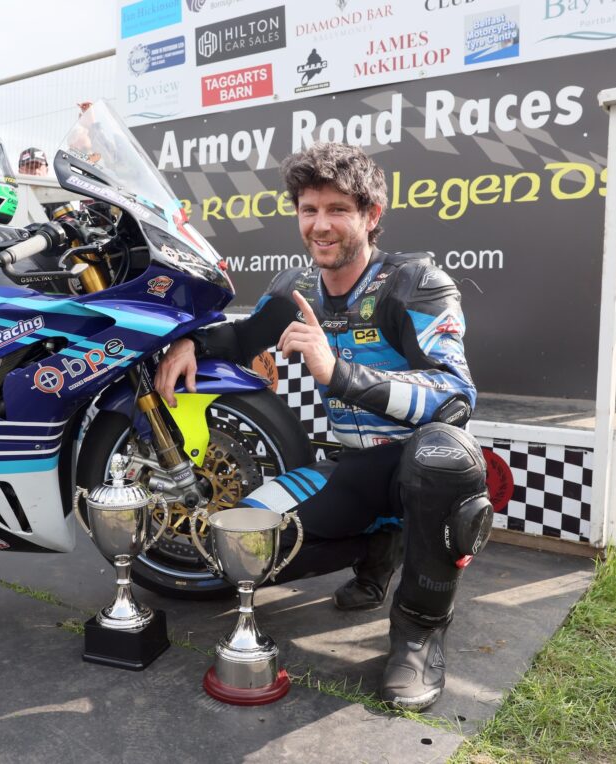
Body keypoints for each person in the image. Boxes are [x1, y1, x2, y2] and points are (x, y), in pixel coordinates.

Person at [154, 142, 494, 711]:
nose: (321, 224)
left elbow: (457, 396)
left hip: (410, 464)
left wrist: (338, 374)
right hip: (348, 470)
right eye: (309, 209)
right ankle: (377, 549)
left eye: (338, 209)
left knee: (444, 458)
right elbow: (241, 339)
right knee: (237, 543)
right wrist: (190, 340)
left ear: (371, 216)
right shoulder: (296, 288)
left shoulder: (414, 282)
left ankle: (418, 632)